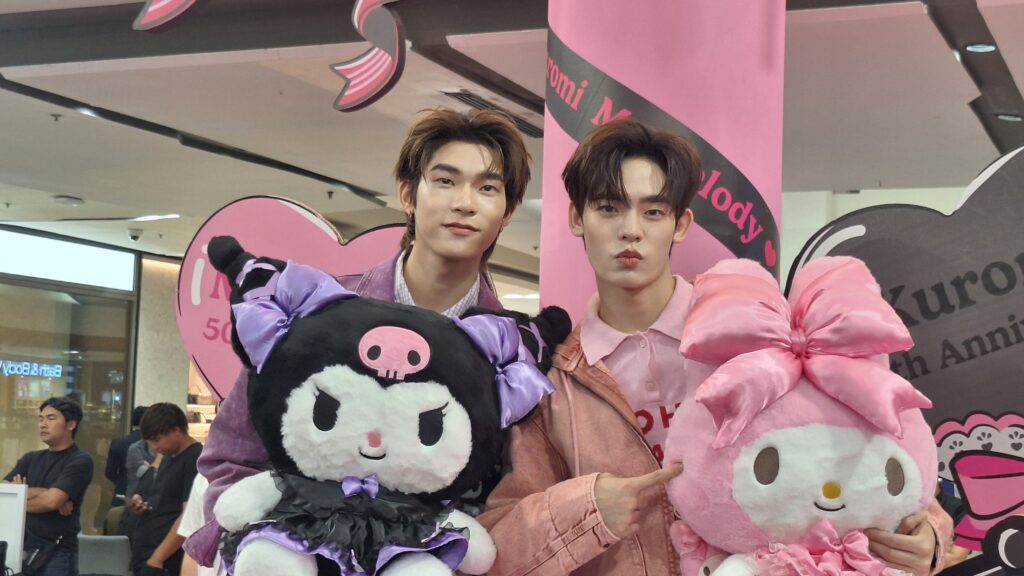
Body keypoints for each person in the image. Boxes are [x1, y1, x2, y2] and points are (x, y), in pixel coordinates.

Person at [478, 119, 954, 576]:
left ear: (680, 224)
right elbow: (500, 546)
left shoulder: (756, 338)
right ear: (576, 218)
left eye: (653, 212)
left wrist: (928, 532)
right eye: (608, 208)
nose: (630, 230)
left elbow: (863, 449)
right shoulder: (553, 379)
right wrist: (588, 509)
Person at [185, 106, 533, 566]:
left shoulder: (513, 356)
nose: (464, 203)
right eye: (445, 181)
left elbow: (507, 496)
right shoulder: (318, 312)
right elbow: (231, 457)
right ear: (408, 194)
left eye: (488, 188)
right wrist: (268, 544)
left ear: (507, 212)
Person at [3, 397, 93, 576]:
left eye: (51, 418)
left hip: (57, 552)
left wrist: (22, 494)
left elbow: (51, 502)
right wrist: (45, 493)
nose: (43, 425)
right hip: (21, 547)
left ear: (71, 424)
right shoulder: (30, 458)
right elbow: (5, 494)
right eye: (41, 419)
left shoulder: (80, 460)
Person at [130, 403, 201, 576]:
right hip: (148, 551)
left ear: (176, 430)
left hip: (166, 560)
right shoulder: (168, 456)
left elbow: (188, 517)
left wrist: (158, 558)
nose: (154, 447)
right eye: (150, 442)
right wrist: (141, 502)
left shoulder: (195, 458)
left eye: (157, 440)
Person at [106, 406, 149, 506]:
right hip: (146, 498)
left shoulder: (118, 442)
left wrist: (121, 481)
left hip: (122, 492)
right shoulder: (156, 444)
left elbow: (109, 472)